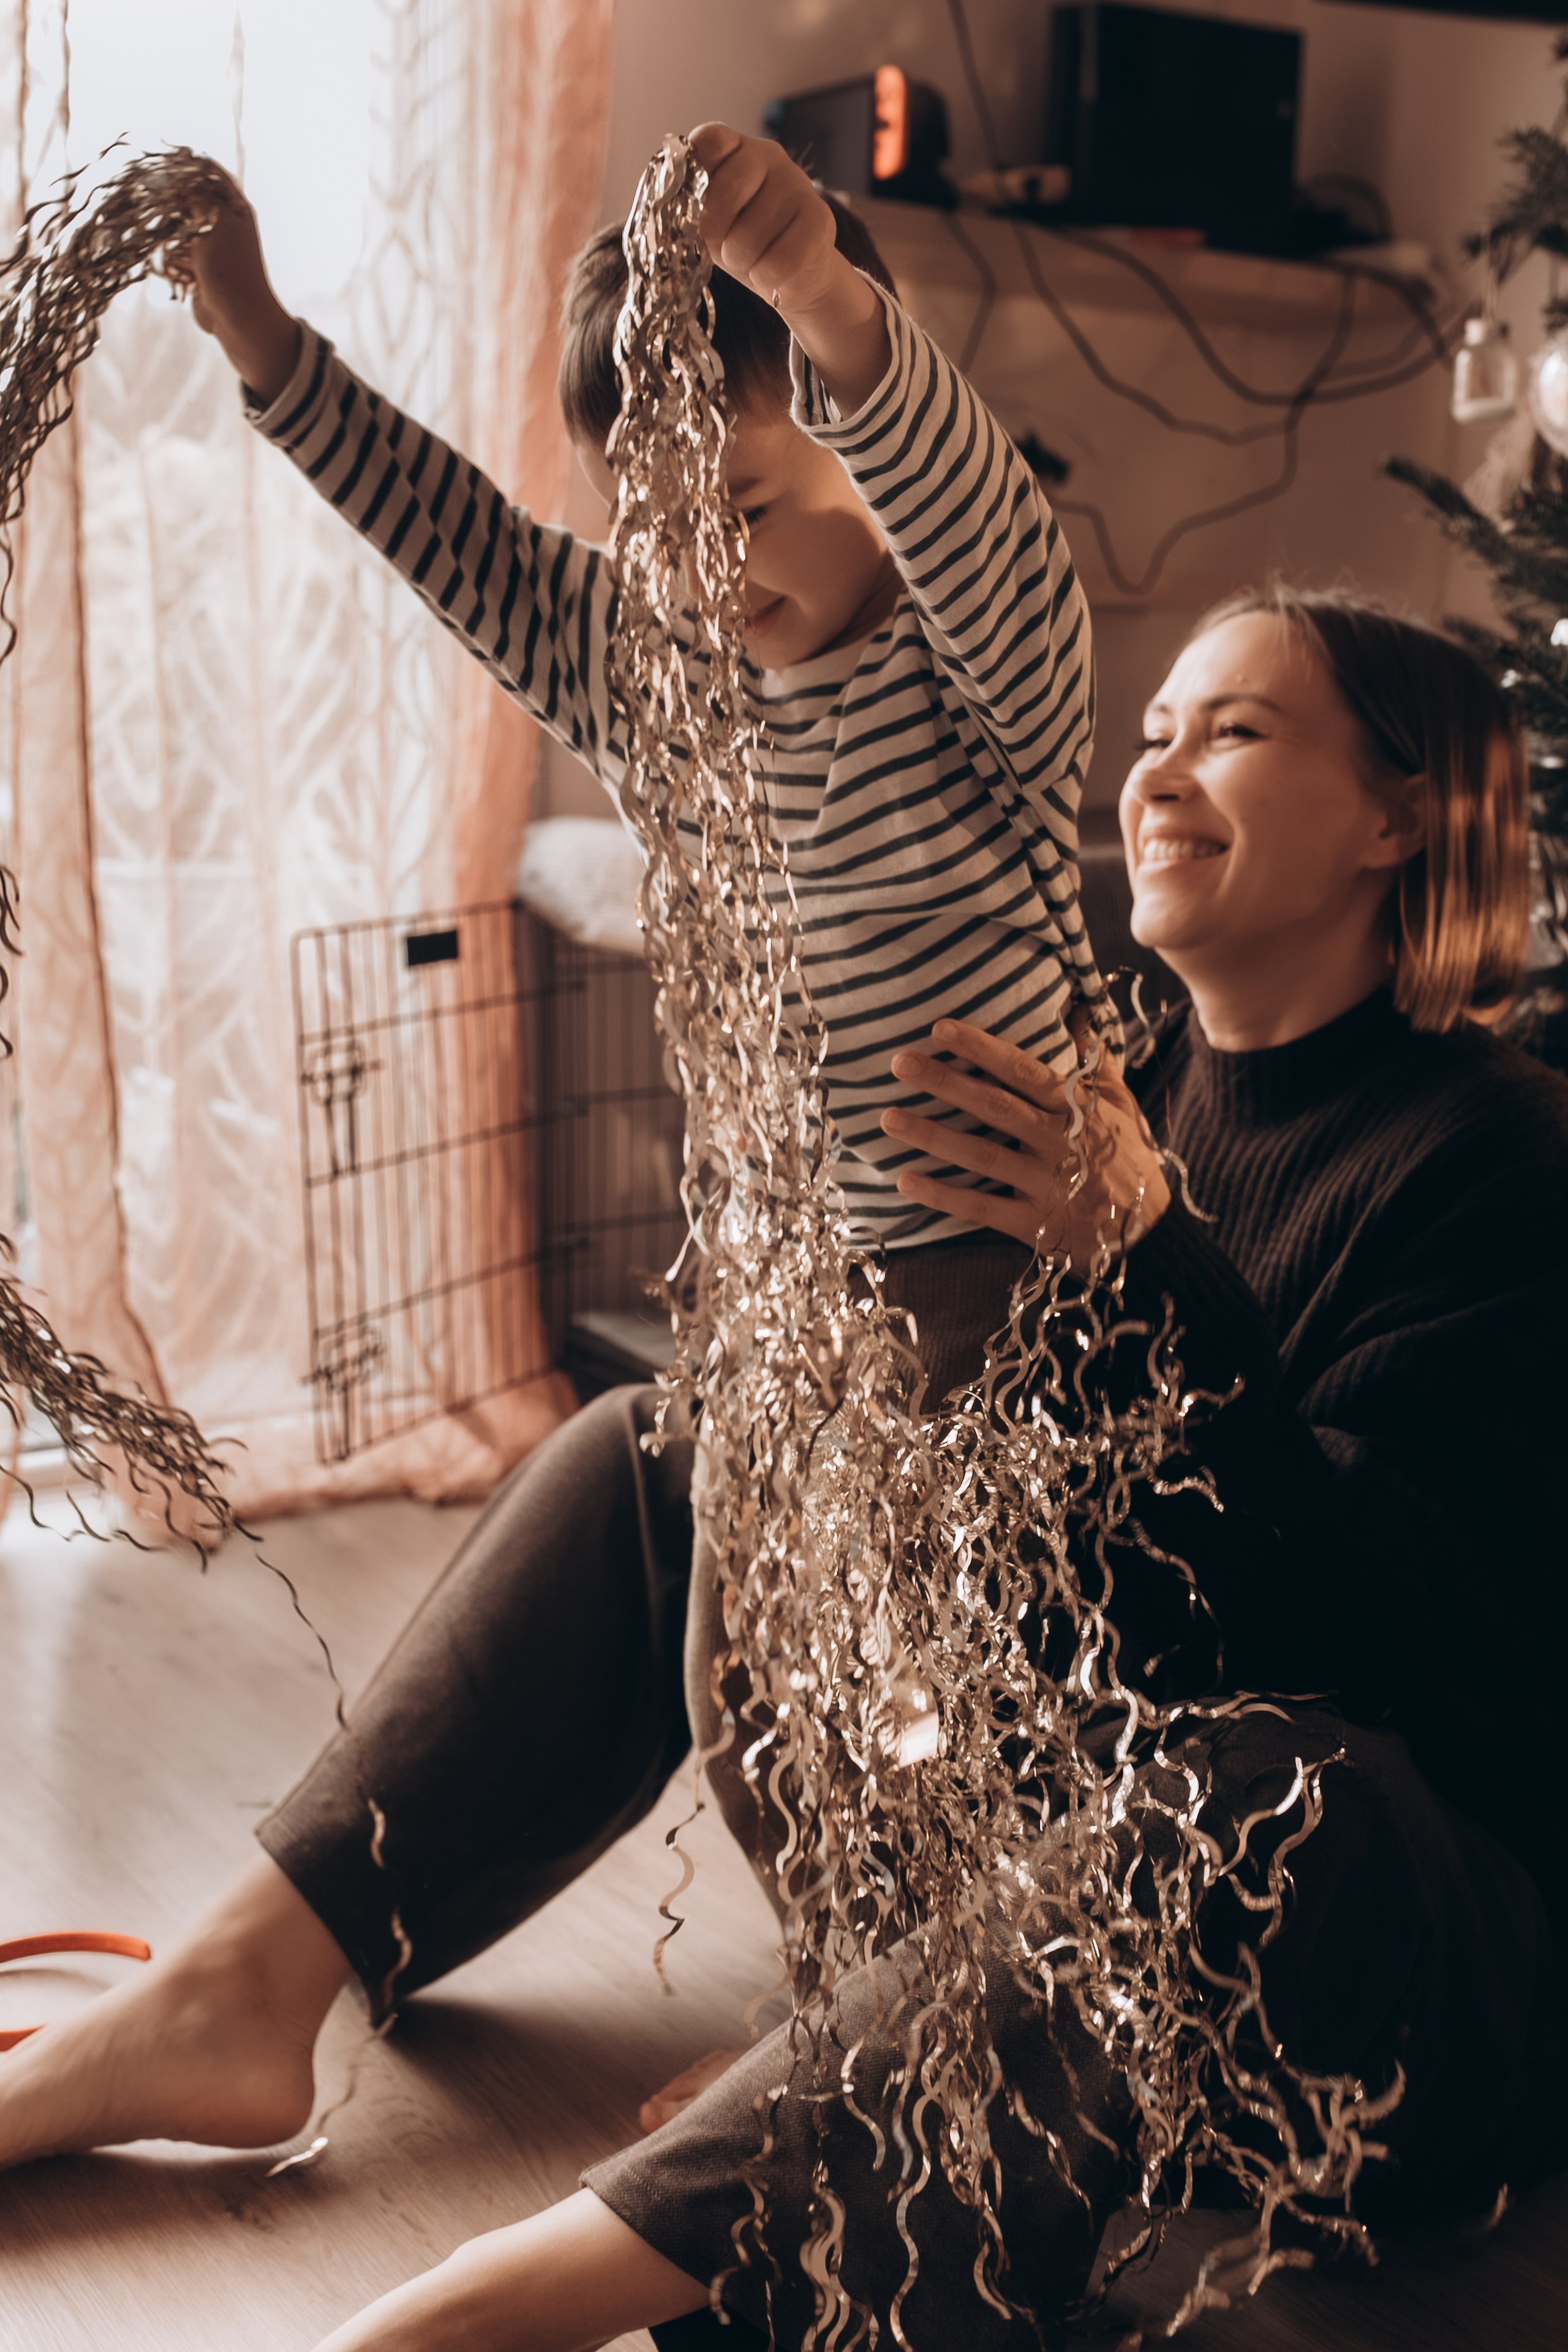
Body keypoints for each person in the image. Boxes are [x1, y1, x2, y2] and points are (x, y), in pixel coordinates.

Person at [4, 553, 1563, 2348]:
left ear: (1398, 817)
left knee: (1277, 1783)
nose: (1154, 769)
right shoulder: (1115, 1083)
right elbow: (1020, 1518)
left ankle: (484, 2315)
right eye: (1152, 729)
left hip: (1393, 1966)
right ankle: (232, 1995)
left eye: (1236, 729)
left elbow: (1391, 1660)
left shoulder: (1504, 1162)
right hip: (1077, 1854)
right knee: (670, 1444)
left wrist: (1148, 1260)